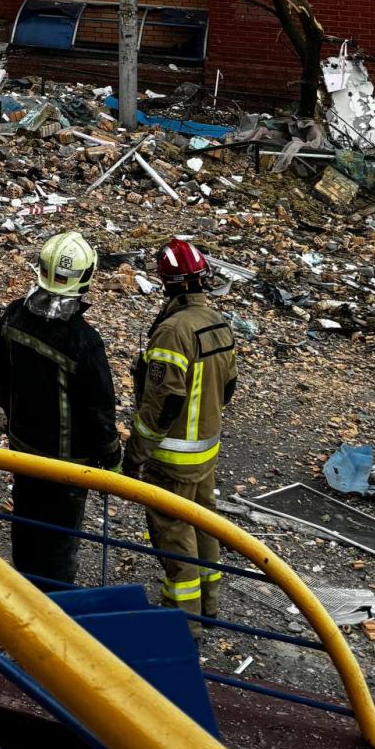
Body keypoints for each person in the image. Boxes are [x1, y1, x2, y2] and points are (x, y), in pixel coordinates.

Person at [0, 230, 121, 588]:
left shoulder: (14, 315)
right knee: (59, 543)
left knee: (26, 525)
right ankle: (52, 608)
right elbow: (99, 410)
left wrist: (14, 418)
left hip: (22, 448)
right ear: (86, 278)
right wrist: (112, 457)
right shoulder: (83, 341)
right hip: (67, 464)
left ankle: (23, 595)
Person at [122, 236, 239, 623]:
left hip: (172, 458)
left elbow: (162, 403)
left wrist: (135, 454)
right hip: (206, 451)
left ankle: (183, 621)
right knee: (204, 524)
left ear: (167, 282)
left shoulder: (173, 331)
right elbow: (229, 387)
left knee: (173, 535)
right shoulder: (218, 323)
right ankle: (209, 605)